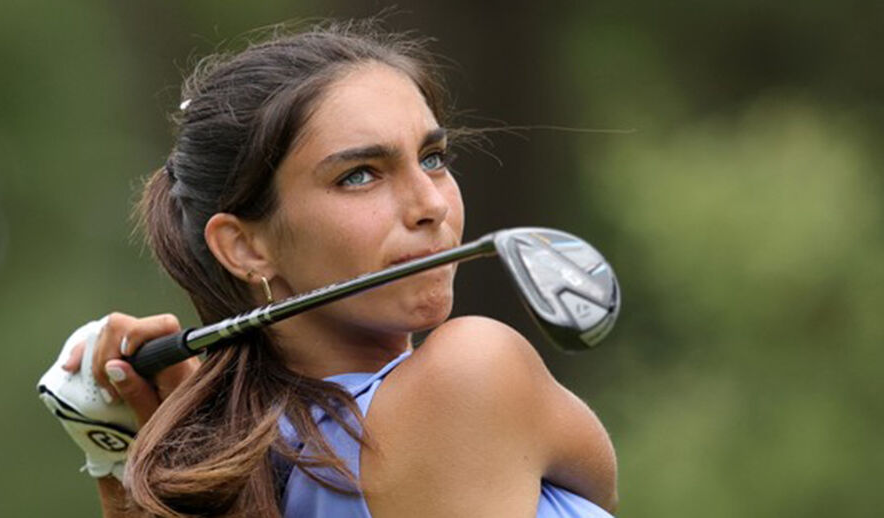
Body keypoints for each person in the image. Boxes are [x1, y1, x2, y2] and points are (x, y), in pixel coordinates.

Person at [47, 19, 618, 518]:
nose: (432, 206)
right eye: (360, 175)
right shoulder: (471, 372)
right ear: (245, 247)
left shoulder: (242, 469)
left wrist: (121, 456)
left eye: (433, 159)